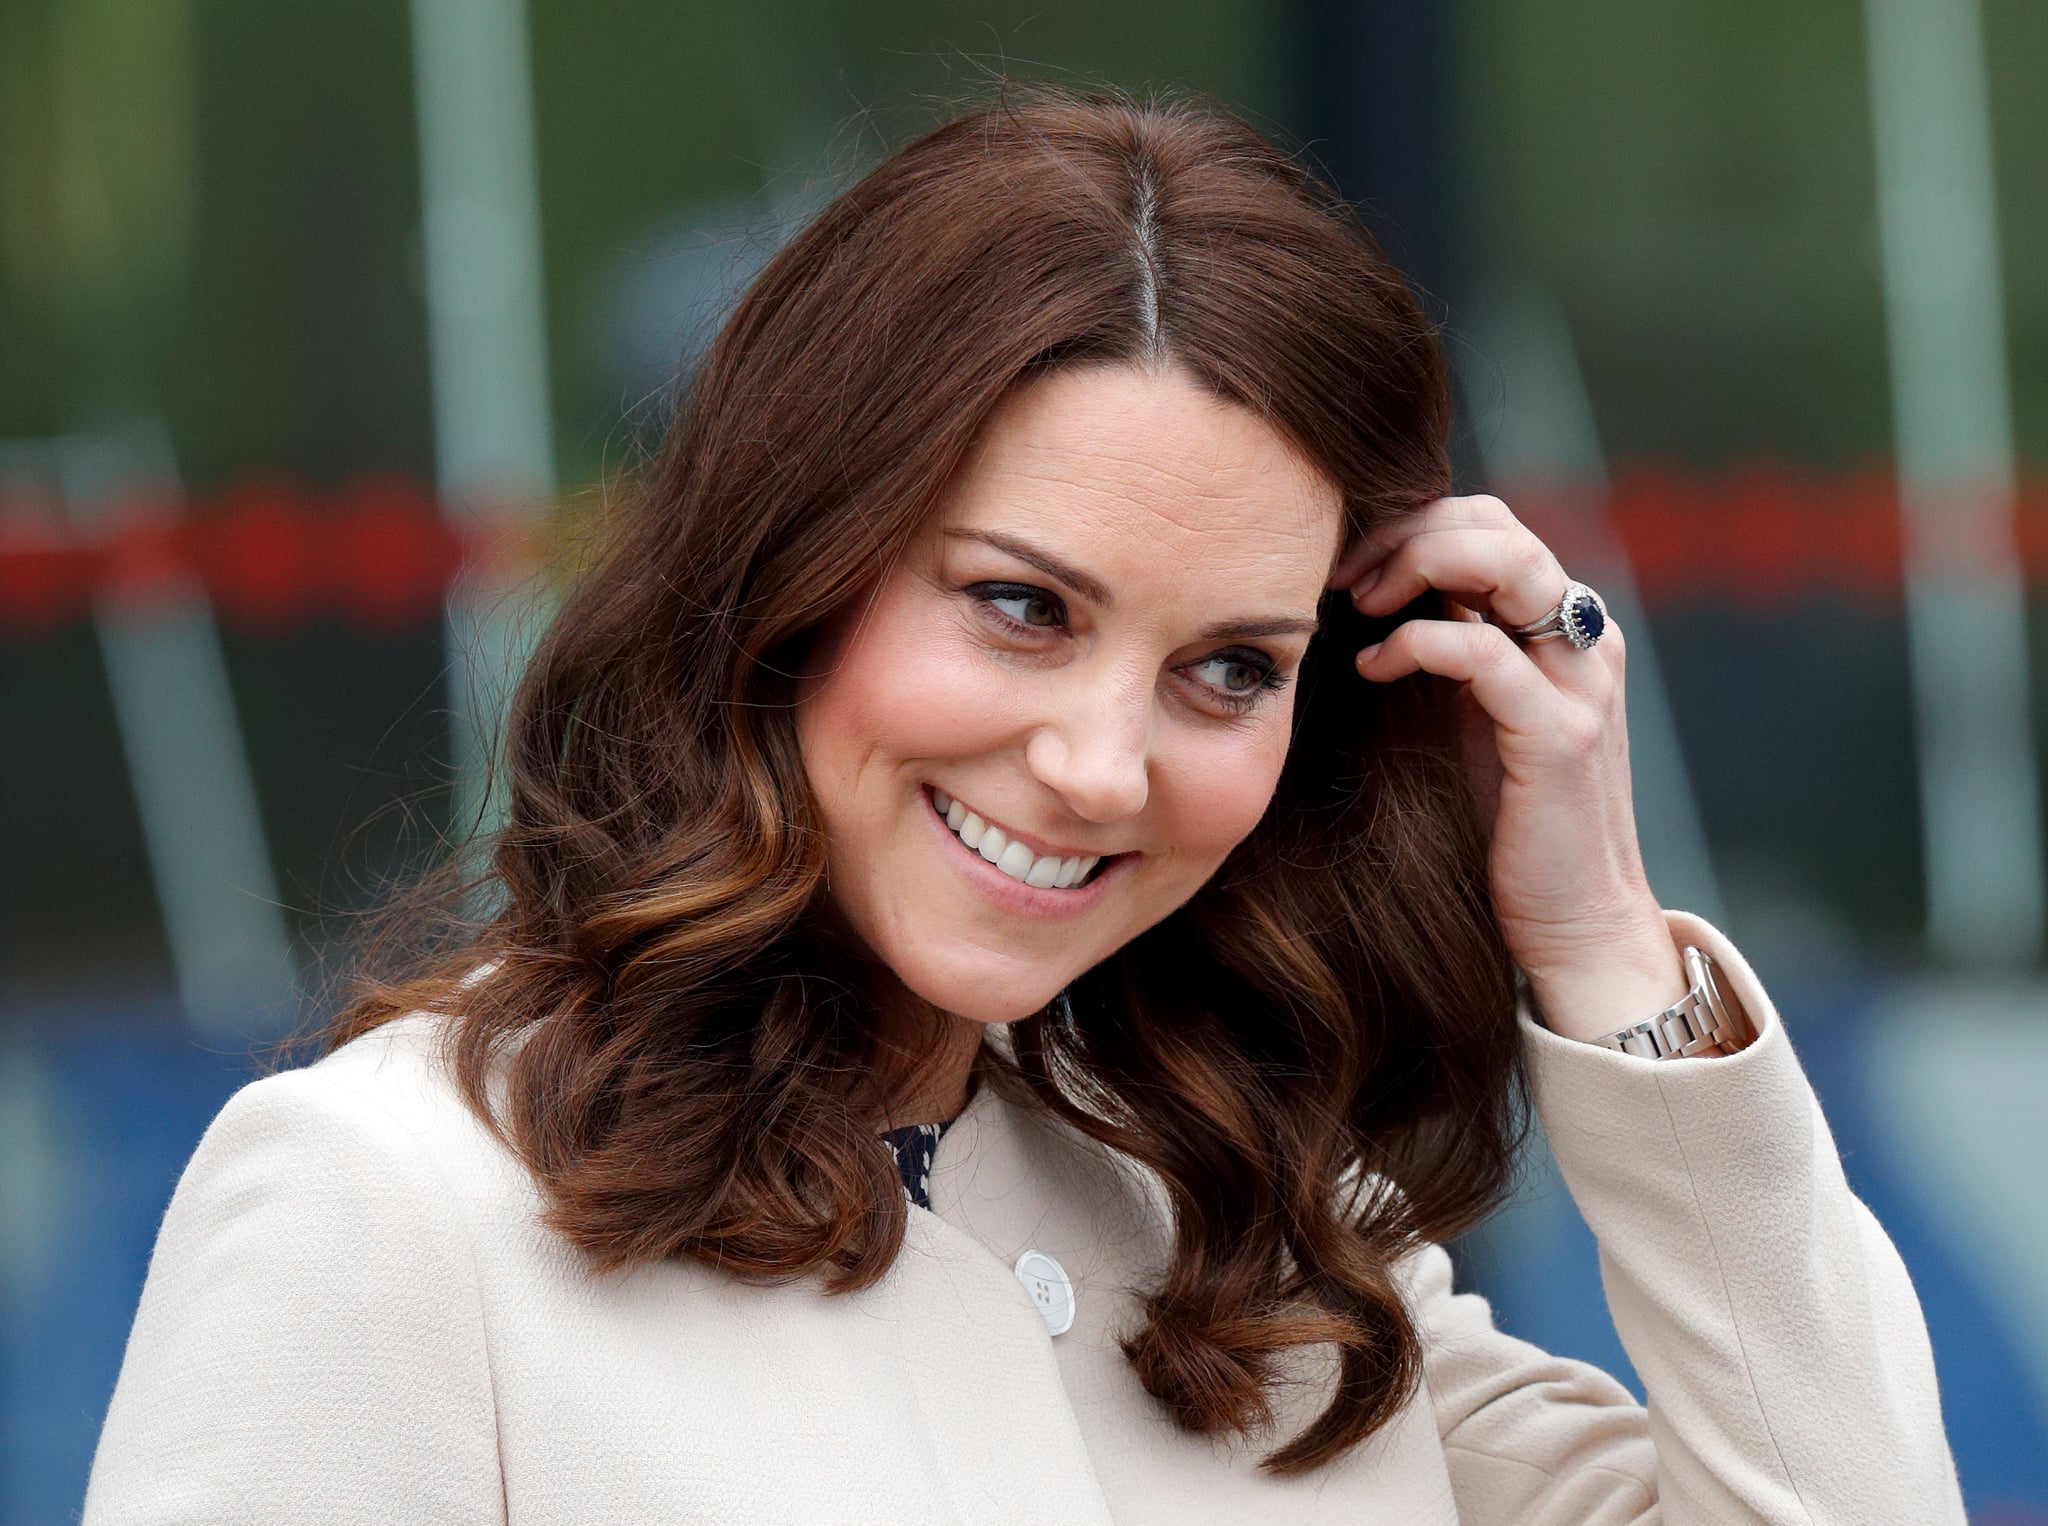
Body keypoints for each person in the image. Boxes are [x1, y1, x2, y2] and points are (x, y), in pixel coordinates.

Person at [83, 87, 1962, 1523]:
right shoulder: (392, 1203)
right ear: (796, 569)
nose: (1096, 764)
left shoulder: (1283, 1251)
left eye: (1228, 666)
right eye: (1019, 606)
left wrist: (1605, 934)